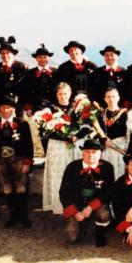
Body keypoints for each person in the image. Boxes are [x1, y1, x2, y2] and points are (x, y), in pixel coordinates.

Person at [0, 93, 34, 228]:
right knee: (7, 189)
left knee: (21, 189)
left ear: (13, 109)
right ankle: (13, 215)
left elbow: (29, 145)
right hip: (1, 164)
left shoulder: (22, 124)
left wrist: (27, 163)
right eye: (3, 107)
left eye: (9, 107)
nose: (5, 110)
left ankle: (23, 216)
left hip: (19, 162)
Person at [59, 139, 115, 247]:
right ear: (82, 152)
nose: (90, 155)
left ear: (100, 153)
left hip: (96, 205)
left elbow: (108, 192)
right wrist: (75, 212)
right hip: (77, 205)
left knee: (103, 214)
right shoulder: (72, 167)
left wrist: (90, 207)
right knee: (72, 238)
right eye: (87, 151)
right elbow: (64, 193)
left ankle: (100, 233)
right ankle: (81, 224)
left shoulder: (107, 167)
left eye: (94, 152)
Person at [41, 82, 81, 214]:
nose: (63, 96)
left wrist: (74, 137)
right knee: (58, 173)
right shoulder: (50, 110)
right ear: (56, 95)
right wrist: (65, 137)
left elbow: (85, 126)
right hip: (57, 145)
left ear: (70, 94)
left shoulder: (77, 108)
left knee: (74, 172)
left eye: (65, 93)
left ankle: (75, 202)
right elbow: (46, 131)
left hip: (74, 144)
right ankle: (58, 204)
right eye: (60, 94)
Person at [98, 85, 129, 179]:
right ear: (105, 99)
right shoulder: (101, 114)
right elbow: (97, 132)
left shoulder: (125, 114)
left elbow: (130, 133)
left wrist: (127, 147)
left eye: (113, 96)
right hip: (106, 148)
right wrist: (103, 141)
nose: (111, 99)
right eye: (108, 97)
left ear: (118, 98)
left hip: (120, 148)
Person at [0, 36, 27, 105]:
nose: (5, 55)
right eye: (2, 53)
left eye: (7, 53)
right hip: (0, 104)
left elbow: (26, 88)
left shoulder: (22, 68)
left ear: (13, 53)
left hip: (17, 104)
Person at [22, 43, 57, 115]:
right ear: (36, 58)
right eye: (40, 57)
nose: (42, 59)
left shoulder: (56, 72)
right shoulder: (29, 73)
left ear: (49, 58)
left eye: (45, 57)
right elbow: (25, 91)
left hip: (54, 107)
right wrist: (28, 107)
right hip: (35, 107)